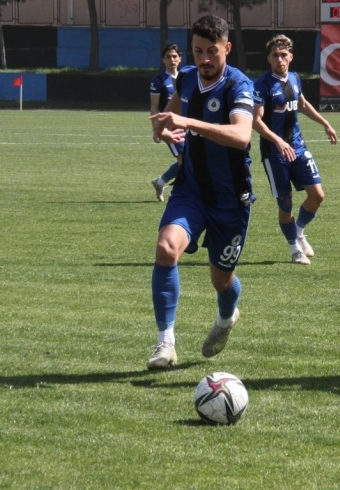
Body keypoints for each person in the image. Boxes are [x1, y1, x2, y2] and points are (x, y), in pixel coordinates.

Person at [147, 14, 256, 369]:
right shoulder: (187, 78)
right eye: (198, 51)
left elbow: (241, 136)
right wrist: (163, 130)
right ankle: (165, 343)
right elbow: (167, 120)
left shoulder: (238, 85)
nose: (204, 59)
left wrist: (190, 122)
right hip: (191, 190)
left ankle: (227, 317)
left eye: (212, 51)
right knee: (166, 249)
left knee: (221, 280)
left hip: (230, 200)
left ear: (227, 48)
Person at [253, 34, 337, 265]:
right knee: (285, 202)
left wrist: (325, 123)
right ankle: (294, 249)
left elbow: (302, 104)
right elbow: (256, 121)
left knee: (317, 195)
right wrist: (278, 141)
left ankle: (299, 231)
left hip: (298, 146)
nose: (279, 59)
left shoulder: (294, 78)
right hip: (274, 152)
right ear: (269, 59)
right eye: (275, 55)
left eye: (283, 55)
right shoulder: (262, 85)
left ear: (291, 56)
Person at [150, 44, 183, 202]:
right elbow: (154, 106)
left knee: (191, 159)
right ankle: (180, 194)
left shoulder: (186, 77)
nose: (172, 59)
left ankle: (160, 182)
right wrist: (156, 129)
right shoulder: (158, 80)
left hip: (187, 125)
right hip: (169, 128)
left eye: (175, 56)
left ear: (180, 59)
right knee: (184, 161)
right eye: (168, 57)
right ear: (163, 60)